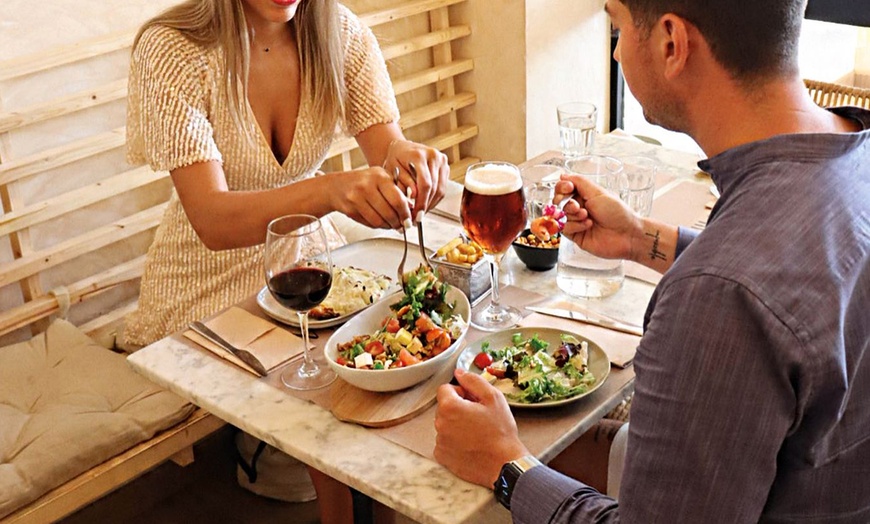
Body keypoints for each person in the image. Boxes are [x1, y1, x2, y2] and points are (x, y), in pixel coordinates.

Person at [434, 0, 870, 522]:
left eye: (616, 24)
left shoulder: (717, 296)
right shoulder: (851, 154)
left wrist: (505, 467)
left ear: (671, 43)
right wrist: (643, 239)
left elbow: (740, 291)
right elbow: (796, 285)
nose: (616, 49)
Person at [123, 0, 447, 521]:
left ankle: (380, 506)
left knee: (395, 330)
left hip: (305, 257)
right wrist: (328, 190)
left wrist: (412, 163)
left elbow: (387, 147)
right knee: (320, 366)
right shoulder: (173, 50)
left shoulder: (340, 33)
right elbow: (213, 220)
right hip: (203, 281)